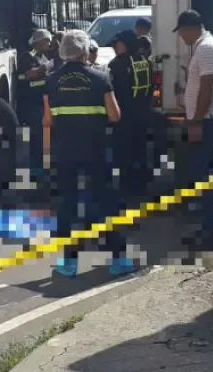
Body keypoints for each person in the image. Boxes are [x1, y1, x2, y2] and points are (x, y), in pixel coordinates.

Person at [43, 30, 132, 277]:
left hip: (65, 153)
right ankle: (118, 259)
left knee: (68, 205)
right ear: (85, 51)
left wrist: (47, 154)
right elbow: (115, 115)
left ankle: (69, 263)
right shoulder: (100, 77)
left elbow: (47, 120)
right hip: (97, 150)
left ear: (63, 51)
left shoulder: (51, 81)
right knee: (106, 202)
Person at [174, 10, 213, 250]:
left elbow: (207, 87)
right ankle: (210, 229)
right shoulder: (205, 46)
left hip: (210, 123)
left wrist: (196, 121)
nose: (180, 37)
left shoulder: (207, 47)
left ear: (191, 28)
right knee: (206, 179)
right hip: (209, 122)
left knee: (208, 179)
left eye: (180, 32)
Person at [108, 34, 153, 198]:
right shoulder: (145, 62)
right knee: (140, 149)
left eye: (117, 44)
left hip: (124, 115)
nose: (114, 48)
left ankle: (126, 188)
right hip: (142, 113)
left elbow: (111, 90)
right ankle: (141, 185)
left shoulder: (117, 64)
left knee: (123, 152)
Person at [17, 29, 53, 180]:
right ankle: (36, 170)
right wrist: (46, 68)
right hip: (31, 105)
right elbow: (29, 74)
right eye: (47, 41)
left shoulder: (44, 57)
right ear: (38, 42)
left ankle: (44, 167)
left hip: (42, 103)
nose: (49, 44)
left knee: (44, 137)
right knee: (37, 137)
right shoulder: (27, 57)